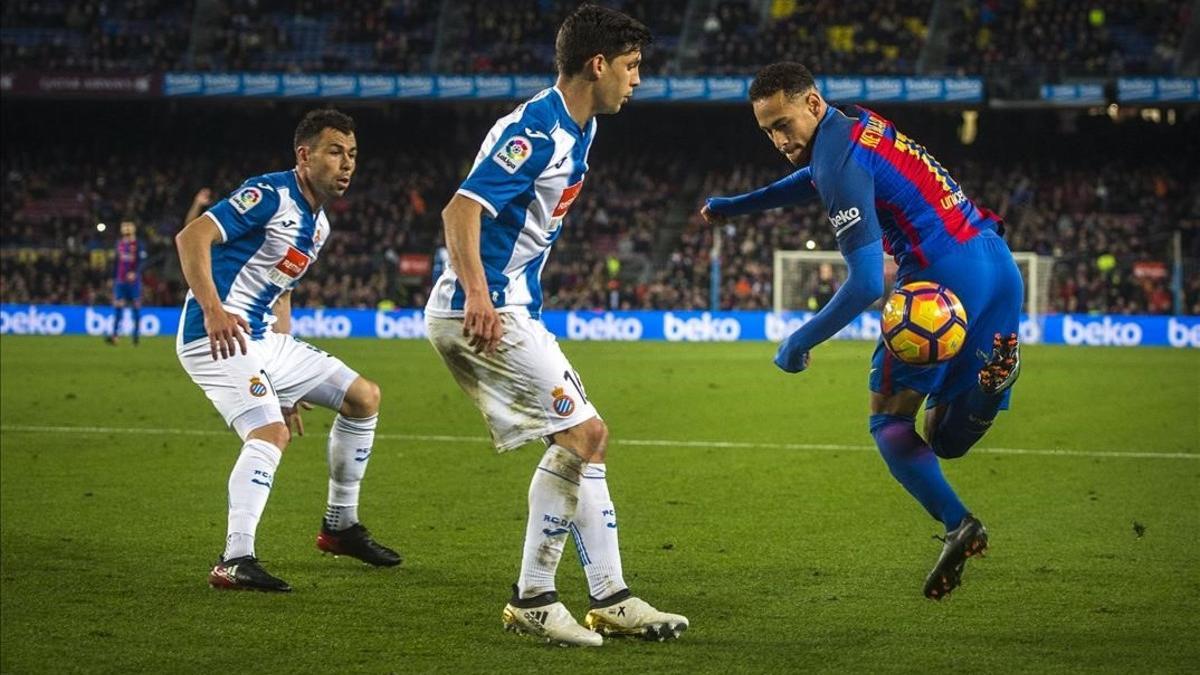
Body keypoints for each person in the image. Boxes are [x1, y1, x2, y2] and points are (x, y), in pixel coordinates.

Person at [701, 62, 1022, 600]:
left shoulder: (837, 162)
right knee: (943, 437)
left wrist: (799, 340)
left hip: (940, 283)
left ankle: (958, 523)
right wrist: (741, 206)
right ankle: (990, 390)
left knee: (887, 421)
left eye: (783, 124)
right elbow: (814, 176)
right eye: (768, 131)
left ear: (811, 102)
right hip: (996, 264)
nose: (779, 139)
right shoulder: (854, 125)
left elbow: (868, 282)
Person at [425, 4, 687, 646]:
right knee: (583, 433)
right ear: (597, 65)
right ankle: (533, 597)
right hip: (480, 310)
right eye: (631, 67)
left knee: (588, 440)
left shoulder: (583, 126)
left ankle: (612, 596)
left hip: (515, 305)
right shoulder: (535, 131)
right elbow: (459, 211)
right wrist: (479, 296)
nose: (637, 80)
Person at [174, 109, 401, 593]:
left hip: (264, 339)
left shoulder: (318, 227)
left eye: (353, 155)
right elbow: (193, 236)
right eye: (336, 151)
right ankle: (235, 559)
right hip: (216, 333)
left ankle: (339, 526)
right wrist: (213, 310)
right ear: (305, 155)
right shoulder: (270, 194)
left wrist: (285, 380)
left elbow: (282, 292)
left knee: (364, 397)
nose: (347, 164)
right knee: (270, 433)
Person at [105, 220, 147, 345]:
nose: (126, 231)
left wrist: (135, 272)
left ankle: (135, 337)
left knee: (136, 308)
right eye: (125, 228)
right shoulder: (119, 244)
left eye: (128, 228)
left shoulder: (139, 244)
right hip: (120, 281)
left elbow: (143, 262)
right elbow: (116, 263)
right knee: (118, 307)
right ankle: (115, 336)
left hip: (134, 283)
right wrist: (112, 277)